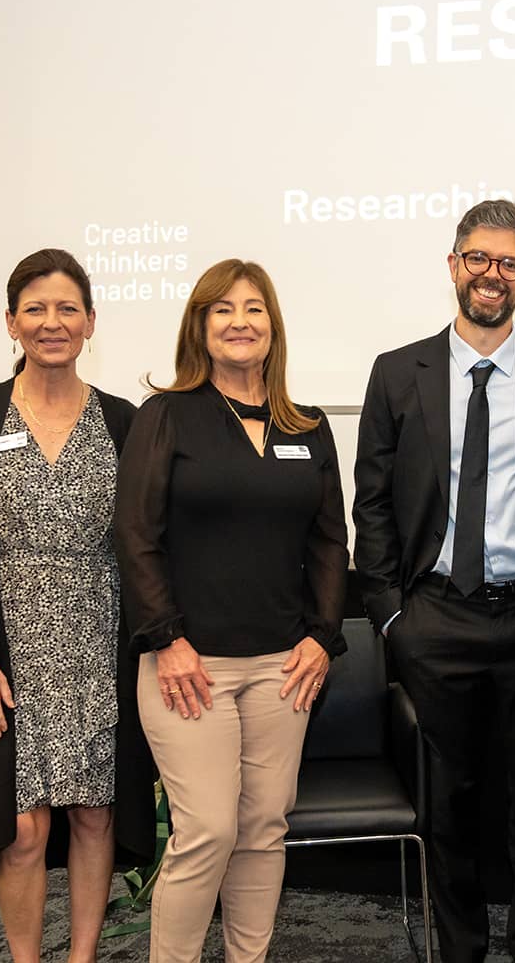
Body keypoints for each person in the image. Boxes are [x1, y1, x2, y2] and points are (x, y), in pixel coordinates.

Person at [352, 199, 515, 963]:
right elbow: (374, 504)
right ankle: (459, 950)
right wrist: (391, 616)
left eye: (509, 263)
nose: (493, 274)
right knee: (444, 807)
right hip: (436, 619)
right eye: (479, 258)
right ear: (454, 264)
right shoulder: (397, 372)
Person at [115, 258, 349, 963]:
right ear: (200, 326)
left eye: (253, 308)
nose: (240, 321)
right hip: (192, 666)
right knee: (208, 830)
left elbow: (331, 542)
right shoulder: (166, 415)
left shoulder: (306, 426)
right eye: (222, 309)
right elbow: (135, 535)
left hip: (284, 667)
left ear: (273, 327)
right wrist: (167, 640)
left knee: (263, 827)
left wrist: (322, 637)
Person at [0, 248, 154, 963]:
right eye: (35, 308)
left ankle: (82, 956)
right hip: (11, 648)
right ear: (11, 321)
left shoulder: (125, 422)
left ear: (91, 322)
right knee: (24, 829)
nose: (51, 322)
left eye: (67, 308)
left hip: (98, 640)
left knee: (96, 815)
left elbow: (142, 543)